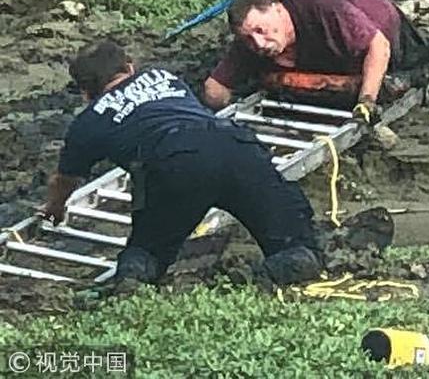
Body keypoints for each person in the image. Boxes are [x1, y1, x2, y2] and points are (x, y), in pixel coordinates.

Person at [38, 39, 361, 288]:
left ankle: (133, 284)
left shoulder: (90, 120)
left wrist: (55, 208)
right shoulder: (162, 77)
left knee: (147, 252)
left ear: (85, 92)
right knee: (295, 242)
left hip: (173, 161)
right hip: (233, 145)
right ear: (130, 67)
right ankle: (277, 266)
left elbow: (65, 179)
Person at [202, 0, 401, 125]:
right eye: (249, 38)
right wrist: (233, 115)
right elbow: (214, 87)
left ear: (276, 10)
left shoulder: (321, 7)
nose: (260, 43)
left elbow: (379, 46)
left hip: (380, 26)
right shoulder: (251, 43)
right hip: (315, 71)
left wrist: (366, 102)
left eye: (261, 30)